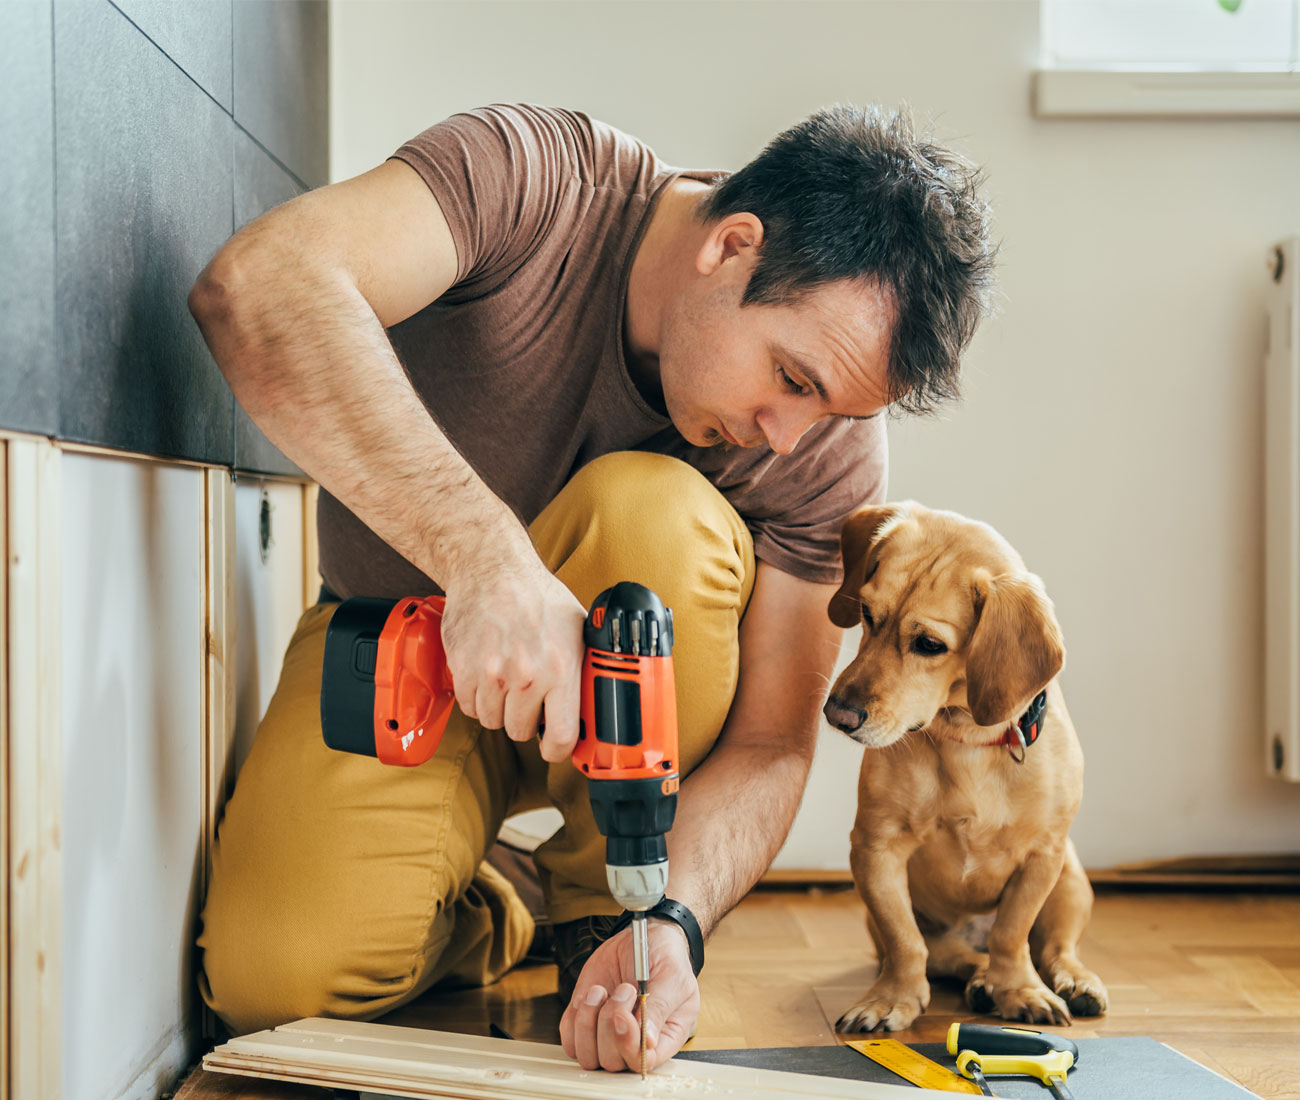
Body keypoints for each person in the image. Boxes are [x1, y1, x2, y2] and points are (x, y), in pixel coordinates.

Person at [188, 101, 994, 1073]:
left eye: (827, 409)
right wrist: (487, 560)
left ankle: (607, 910)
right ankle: (503, 898)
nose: (788, 434)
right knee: (275, 984)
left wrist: (680, 918)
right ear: (732, 246)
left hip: (630, 755)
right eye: (789, 376)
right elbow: (261, 283)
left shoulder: (823, 448)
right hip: (402, 642)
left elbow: (773, 741)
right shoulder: (529, 180)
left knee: (652, 509)